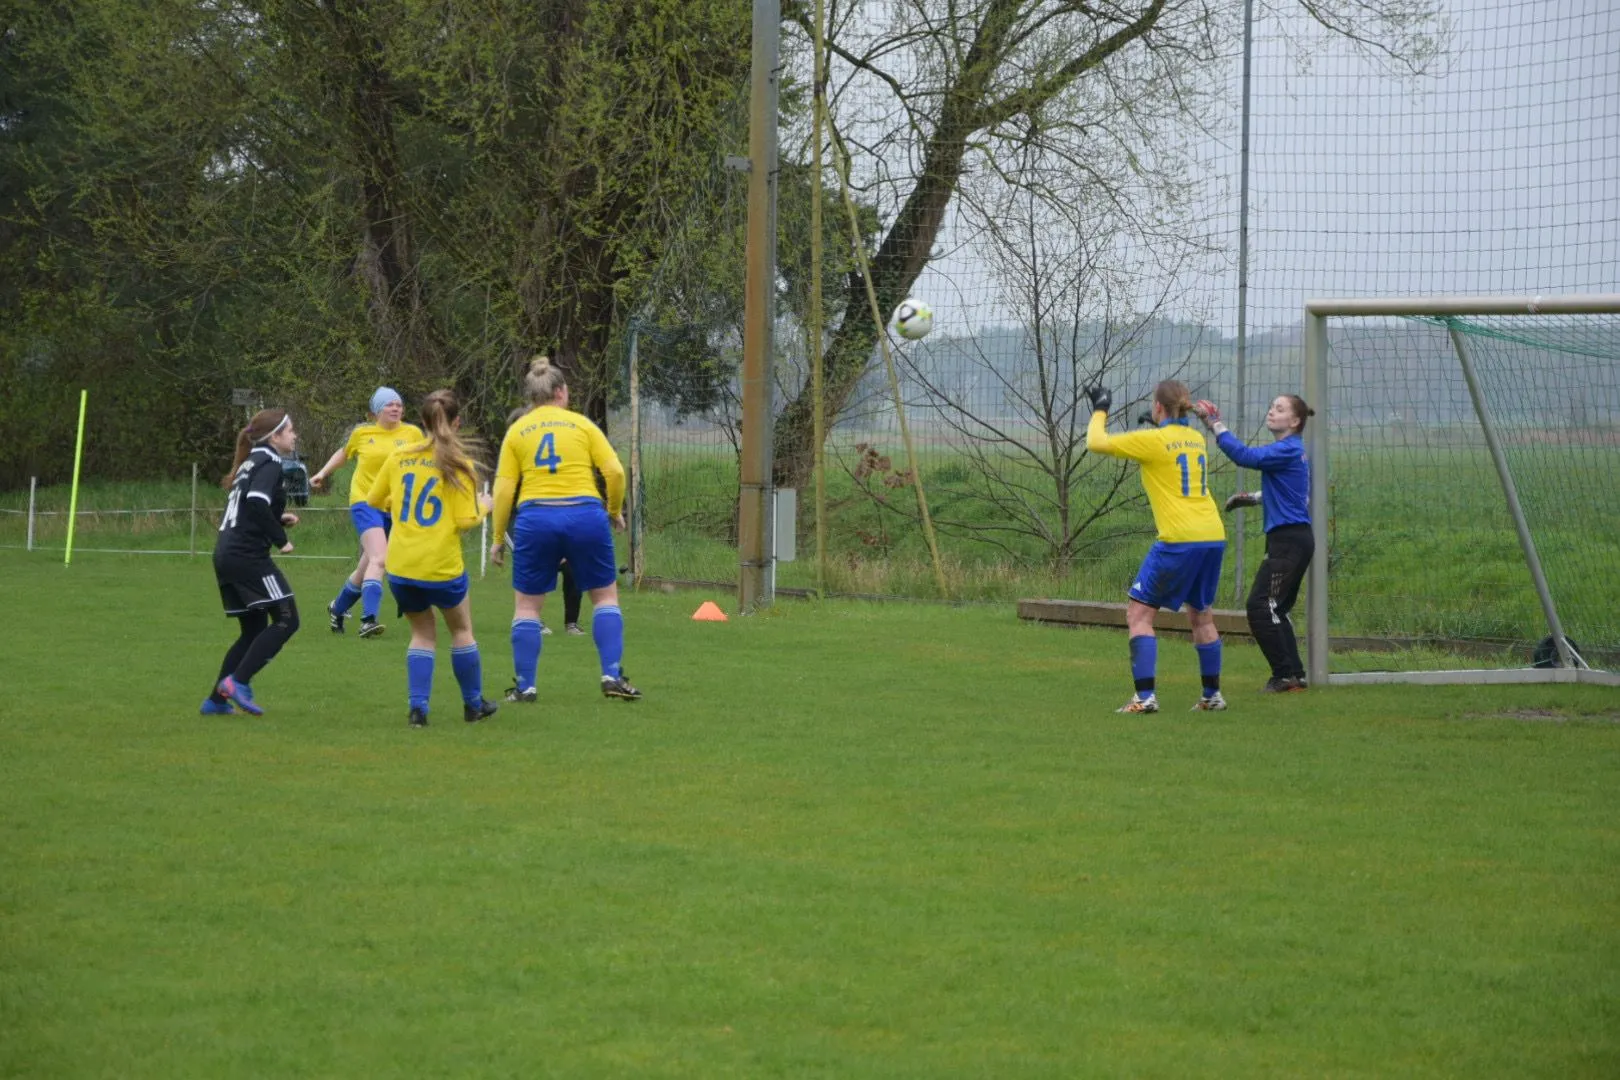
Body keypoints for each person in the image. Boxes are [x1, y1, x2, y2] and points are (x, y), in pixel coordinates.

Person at [491, 355, 639, 701]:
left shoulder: (517, 431)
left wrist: (498, 538)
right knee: (604, 597)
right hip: (584, 515)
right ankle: (611, 676)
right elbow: (615, 472)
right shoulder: (582, 425)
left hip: (536, 518)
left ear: (532, 397)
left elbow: (503, 490)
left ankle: (526, 687)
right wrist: (613, 511)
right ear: (561, 392)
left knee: (528, 607)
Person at [1085, 379, 1228, 713]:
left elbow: (1096, 442)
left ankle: (1145, 698)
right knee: (1202, 616)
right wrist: (1159, 425)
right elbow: (1173, 446)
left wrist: (1101, 407)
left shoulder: (1152, 440)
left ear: (1158, 407)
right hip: (1212, 535)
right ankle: (1212, 696)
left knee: (1138, 614)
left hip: (1179, 538)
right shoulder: (1196, 439)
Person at [365, 390, 500, 727]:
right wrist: (485, 506)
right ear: (457, 422)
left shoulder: (399, 456)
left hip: (401, 566)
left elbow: (374, 499)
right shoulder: (458, 464)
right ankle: (473, 706)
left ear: (422, 421)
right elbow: (465, 520)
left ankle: (418, 710)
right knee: (462, 630)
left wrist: (397, 505)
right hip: (441, 566)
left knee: (422, 634)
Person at [1195, 393, 1315, 692]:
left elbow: (1246, 457)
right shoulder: (1292, 451)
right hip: (1292, 539)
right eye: (1271, 406)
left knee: (1260, 605)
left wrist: (1215, 424)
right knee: (1277, 608)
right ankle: (1295, 675)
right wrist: (1253, 498)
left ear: (1295, 421)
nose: (1271, 411)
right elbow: (1293, 494)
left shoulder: (1287, 449)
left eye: (1280, 409)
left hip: (1288, 541)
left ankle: (1284, 676)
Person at [202, 408, 303, 716]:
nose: (295, 435)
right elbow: (256, 502)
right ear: (275, 436)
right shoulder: (269, 462)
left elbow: (248, 509)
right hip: (248, 557)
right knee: (287, 619)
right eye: (290, 430)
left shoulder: (250, 462)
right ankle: (238, 682)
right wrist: (280, 539)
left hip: (227, 554)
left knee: (254, 628)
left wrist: (277, 519)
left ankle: (216, 701)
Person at [308, 387, 424, 639]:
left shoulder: (413, 433)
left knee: (367, 566)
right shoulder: (362, 434)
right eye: (389, 405)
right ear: (377, 410)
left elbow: (425, 461)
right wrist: (322, 473)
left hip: (395, 507)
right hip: (365, 502)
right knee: (379, 559)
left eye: (399, 405)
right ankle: (368, 620)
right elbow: (344, 454)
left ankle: (337, 608)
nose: (395, 408)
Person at [503, 404, 585, 636]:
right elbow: (504, 498)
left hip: (548, 520)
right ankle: (531, 619)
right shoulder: (511, 459)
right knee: (535, 563)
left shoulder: (548, 457)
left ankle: (571, 623)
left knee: (572, 565)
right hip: (518, 522)